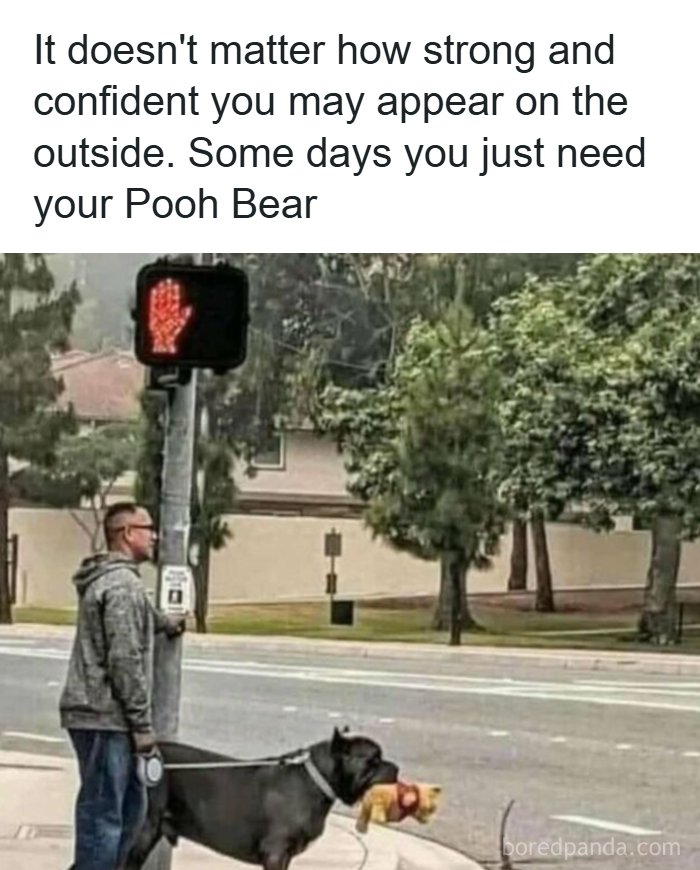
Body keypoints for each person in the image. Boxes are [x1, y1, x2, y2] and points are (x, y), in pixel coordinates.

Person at [59, 501, 184, 870]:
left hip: (104, 718)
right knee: (105, 817)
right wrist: (143, 728)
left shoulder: (118, 583)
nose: (156, 535)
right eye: (148, 528)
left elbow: (134, 620)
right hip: (104, 717)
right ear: (128, 533)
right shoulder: (123, 587)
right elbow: (125, 661)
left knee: (131, 810)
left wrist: (166, 623)